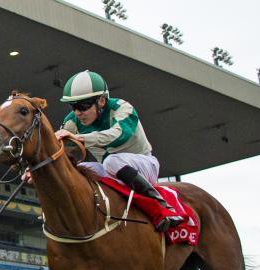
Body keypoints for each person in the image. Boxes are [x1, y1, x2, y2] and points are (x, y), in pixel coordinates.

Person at [56, 70, 184, 232]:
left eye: (83, 106)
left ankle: (161, 205)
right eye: (73, 106)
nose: (78, 112)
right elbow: (59, 149)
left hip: (144, 165)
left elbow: (120, 135)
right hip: (110, 170)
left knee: (112, 161)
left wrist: (82, 138)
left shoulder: (123, 108)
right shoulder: (72, 121)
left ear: (101, 101)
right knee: (81, 169)